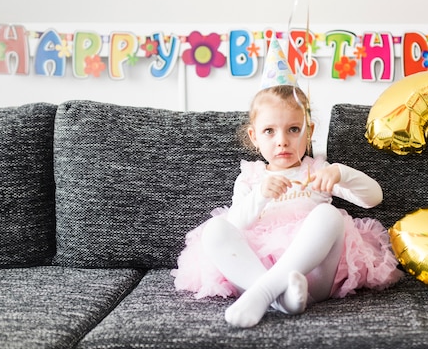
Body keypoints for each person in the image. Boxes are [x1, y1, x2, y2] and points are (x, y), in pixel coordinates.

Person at [171, 83, 403, 328]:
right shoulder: (250, 177)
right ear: (254, 137)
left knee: (329, 214)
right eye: (269, 131)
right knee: (216, 229)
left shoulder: (317, 172)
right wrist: (260, 195)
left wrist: (341, 173)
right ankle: (282, 299)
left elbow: (373, 198)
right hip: (254, 272)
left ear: (309, 131)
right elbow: (236, 226)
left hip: (313, 274)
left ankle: (264, 293)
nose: (282, 141)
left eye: (293, 129)